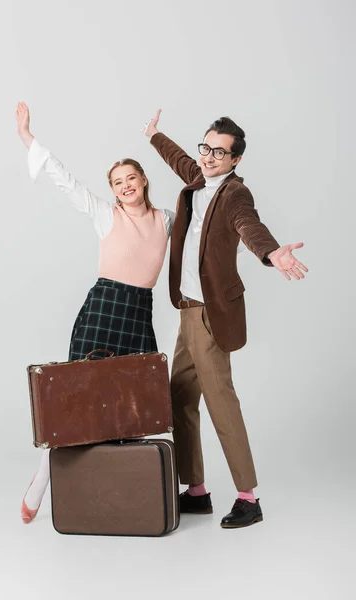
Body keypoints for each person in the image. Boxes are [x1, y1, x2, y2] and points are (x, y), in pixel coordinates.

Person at [143, 110, 308, 528]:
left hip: (211, 314)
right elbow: (179, 158)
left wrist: (272, 253)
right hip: (187, 310)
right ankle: (196, 490)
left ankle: (248, 499)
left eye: (220, 152)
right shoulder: (197, 179)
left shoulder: (235, 194)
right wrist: (154, 135)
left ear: (235, 160)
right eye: (206, 147)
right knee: (179, 395)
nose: (209, 156)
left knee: (221, 402)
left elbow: (249, 226)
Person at [16, 102, 175, 523]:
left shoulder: (167, 219)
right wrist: (29, 139)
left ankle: (122, 487)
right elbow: (64, 180)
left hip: (139, 311)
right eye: (117, 182)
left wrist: (158, 137)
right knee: (80, 397)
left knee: (131, 402)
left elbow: (202, 208)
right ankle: (43, 477)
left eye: (131, 178)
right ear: (112, 189)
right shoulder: (105, 215)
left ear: (144, 180)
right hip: (104, 307)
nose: (125, 186)